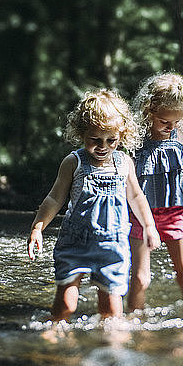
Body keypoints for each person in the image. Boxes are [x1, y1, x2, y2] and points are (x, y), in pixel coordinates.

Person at [27, 89, 160, 322]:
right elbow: (55, 198)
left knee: (111, 312)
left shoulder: (124, 162)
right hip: (75, 241)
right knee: (66, 306)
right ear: (82, 134)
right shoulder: (74, 162)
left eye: (111, 140)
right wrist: (38, 227)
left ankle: (109, 350)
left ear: (121, 135)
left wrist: (149, 226)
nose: (103, 146)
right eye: (95, 140)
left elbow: (137, 197)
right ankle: (56, 335)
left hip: (113, 243)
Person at [127, 73, 183, 311]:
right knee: (141, 278)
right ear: (149, 110)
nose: (170, 127)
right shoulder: (136, 135)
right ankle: (134, 321)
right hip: (141, 214)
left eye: (176, 121)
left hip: (175, 211)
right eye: (164, 122)